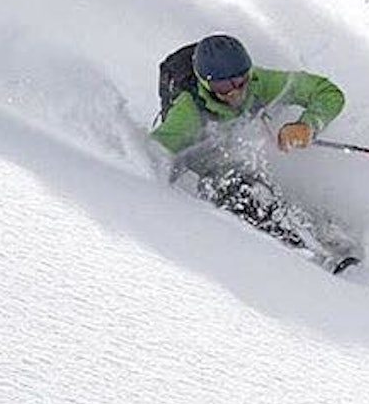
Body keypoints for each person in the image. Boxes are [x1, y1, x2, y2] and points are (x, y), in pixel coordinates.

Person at [151, 33, 354, 269]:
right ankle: (305, 255)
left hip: (248, 162)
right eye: (222, 86)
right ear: (204, 83)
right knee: (240, 190)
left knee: (274, 187)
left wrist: (307, 125)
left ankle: (330, 235)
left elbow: (327, 93)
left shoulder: (260, 82)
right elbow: (153, 154)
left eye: (240, 81)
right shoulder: (188, 112)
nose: (235, 92)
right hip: (213, 176)